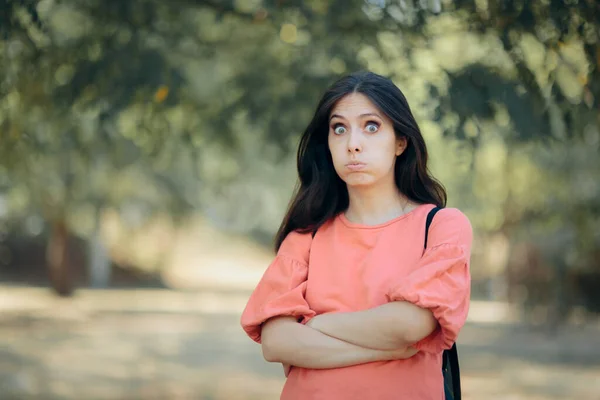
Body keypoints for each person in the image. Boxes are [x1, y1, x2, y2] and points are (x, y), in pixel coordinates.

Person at [240, 71, 473, 400]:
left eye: (372, 126)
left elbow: (410, 326)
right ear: (329, 144)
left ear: (401, 141)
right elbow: (277, 342)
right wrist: (389, 349)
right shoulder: (306, 236)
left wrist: (314, 327)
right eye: (339, 128)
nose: (354, 144)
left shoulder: (440, 226)